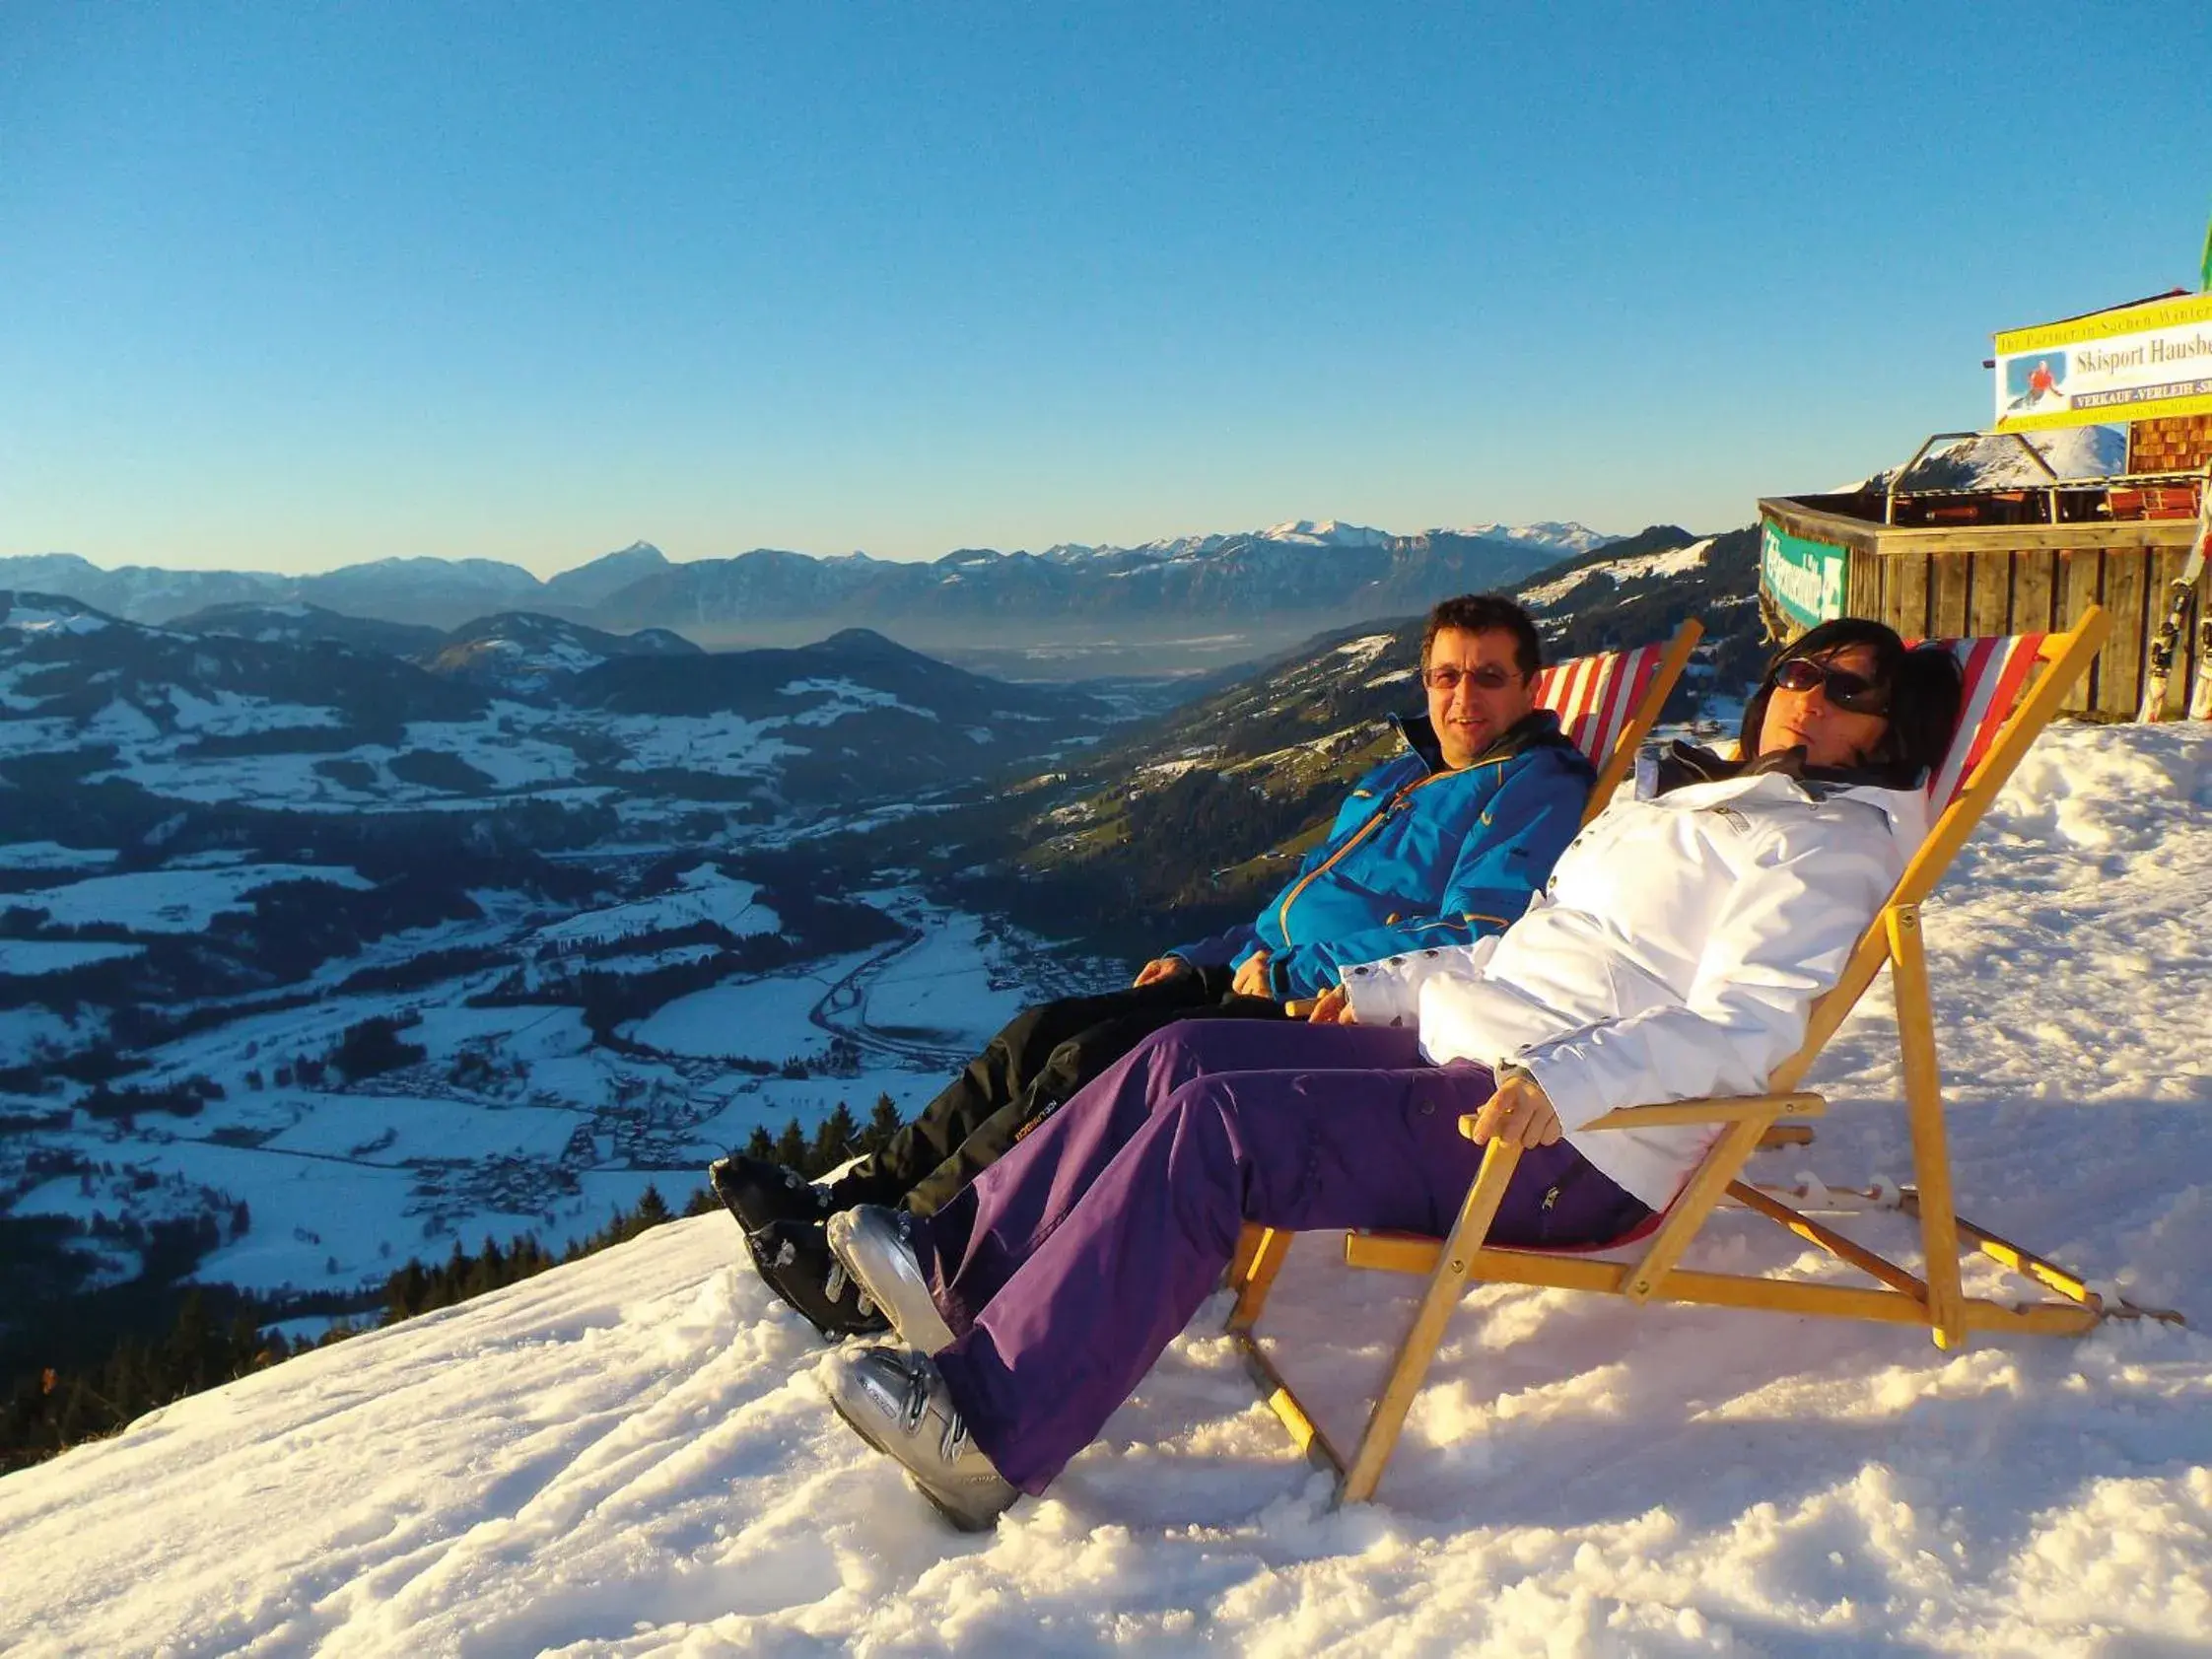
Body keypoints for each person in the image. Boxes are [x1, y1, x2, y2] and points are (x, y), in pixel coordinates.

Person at [813, 618, 1966, 1529]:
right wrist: (1380, 990)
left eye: (1848, 690)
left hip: (1569, 1133)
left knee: (1225, 1126)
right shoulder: (1686, 799)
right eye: (1800, 669)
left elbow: (1744, 1025)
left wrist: (1564, 1084)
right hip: (1478, 1049)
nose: (1808, 694)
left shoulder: (1824, 846)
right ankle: (964, 1270)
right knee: (1184, 1048)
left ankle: (992, 1434)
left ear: (1886, 732)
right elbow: (1521, 950)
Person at [714, 594, 1595, 1339]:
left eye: (1488, 676)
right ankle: (847, 1201)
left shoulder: (1534, 786)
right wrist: (1199, 955)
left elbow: (1482, 926)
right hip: (1263, 970)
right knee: (1039, 1031)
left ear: (1530, 686)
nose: (1463, 697)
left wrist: (1297, 973)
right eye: (1447, 675)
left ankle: (916, 1246)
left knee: (1082, 1064)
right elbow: (1286, 906)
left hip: (1337, 1004)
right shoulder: (1402, 775)